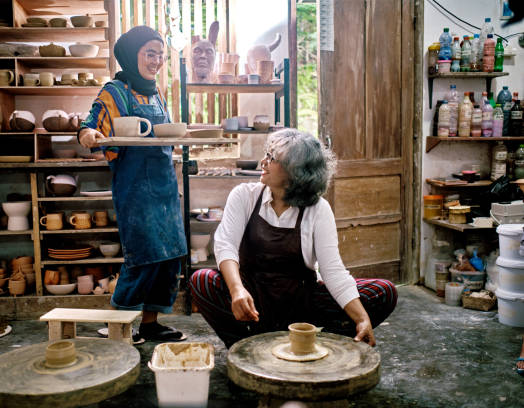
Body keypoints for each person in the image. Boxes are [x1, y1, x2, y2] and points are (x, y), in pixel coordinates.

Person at [190, 129, 397, 348]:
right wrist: (237, 290)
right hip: (254, 300)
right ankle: (246, 347)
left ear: (295, 172)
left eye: (272, 158)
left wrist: (362, 319)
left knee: (383, 292)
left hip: (301, 301)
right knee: (202, 280)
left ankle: (316, 342)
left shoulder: (318, 209)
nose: (263, 162)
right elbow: (226, 245)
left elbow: (332, 270)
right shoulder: (245, 195)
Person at [78, 25, 187, 345]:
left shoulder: (156, 93)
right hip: (136, 188)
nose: (156, 61)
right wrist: (89, 137)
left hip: (165, 187)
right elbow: (89, 126)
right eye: (149, 53)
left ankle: (150, 324)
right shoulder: (116, 90)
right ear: (131, 55)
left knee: (169, 257)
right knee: (143, 256)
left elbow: (165, 134)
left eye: (161, 56)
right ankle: (118, 325)